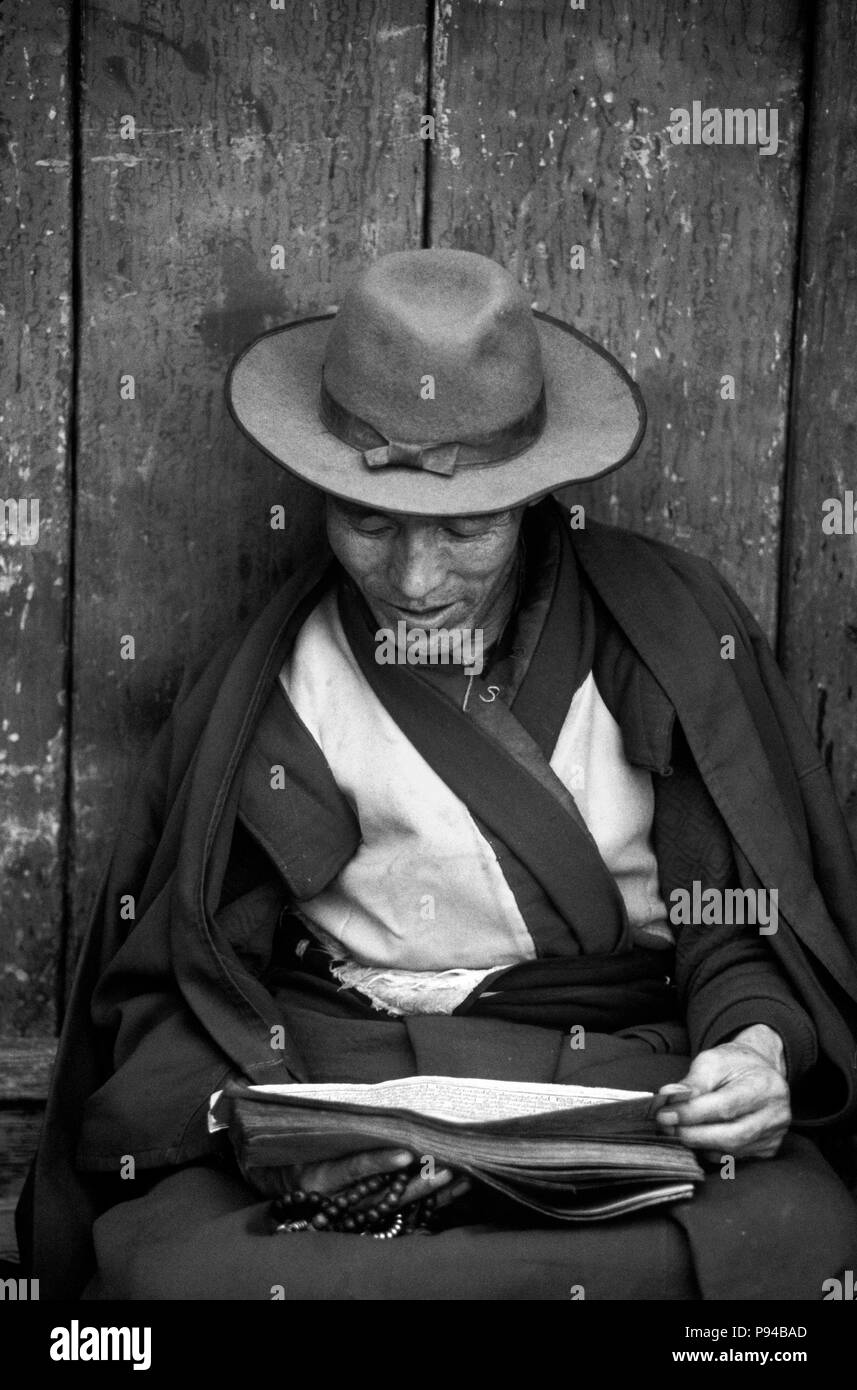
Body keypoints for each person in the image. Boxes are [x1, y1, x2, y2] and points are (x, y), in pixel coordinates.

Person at [19, 248, 857, 1300]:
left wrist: (753, 1051)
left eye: (464, 528)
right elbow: (189, 976)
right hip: (352, 1089)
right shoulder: (276, 679)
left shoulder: (667, 637)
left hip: (613, 1098)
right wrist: (262, 1122)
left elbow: (733, 925)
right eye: (368, 521)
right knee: (175, 1278)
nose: (414, 583)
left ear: (531, 496)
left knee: (799, 1239)